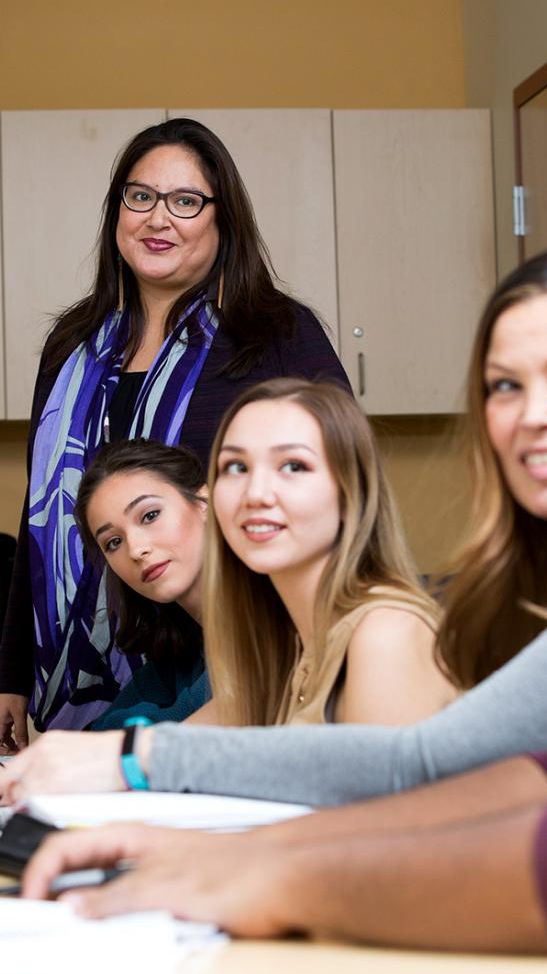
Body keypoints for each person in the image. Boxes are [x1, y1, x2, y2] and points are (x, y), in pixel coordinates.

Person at [22, 23, 547, 969]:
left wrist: (216, 833)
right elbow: (531, 782)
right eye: (503, 387)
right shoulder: (277, 634)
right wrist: (225, 854)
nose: (532, 418)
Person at [4, 247, 547, 797]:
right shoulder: (520, 581)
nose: (534, 413)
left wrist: (136, 759)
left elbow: (412, 771)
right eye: (504, 386)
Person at [0, 117, 349, 745]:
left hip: (231, 662)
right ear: (117, 213)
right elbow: (41, 514)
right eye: (141, 197)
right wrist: (11, 672)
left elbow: (344, 484)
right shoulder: (71, 345)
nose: (159, 219)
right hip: (73, 681)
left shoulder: (276, 332)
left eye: (186, 201)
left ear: (223, 219)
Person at [203, 377, 456, 726]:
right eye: (236, 467)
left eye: (293, 466)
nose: (256, 493)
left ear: (350, 495)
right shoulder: (286, 643)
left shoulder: (386, 633)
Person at [73, 439, 212, 729]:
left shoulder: (274, 621)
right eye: (113, 542)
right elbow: (96, 735)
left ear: (204, 503)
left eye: (150, 515)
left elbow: (189, 728)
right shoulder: (182, 653)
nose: (136, 550)